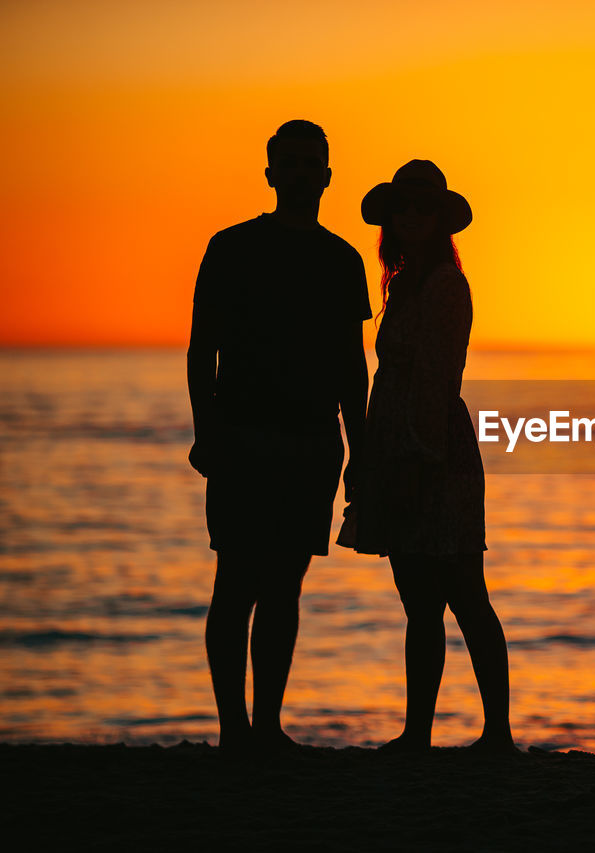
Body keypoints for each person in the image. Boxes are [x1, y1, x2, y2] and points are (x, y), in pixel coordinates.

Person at [187, 119, 372, 752]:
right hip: (241, 434)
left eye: (307, 163)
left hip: (312, 441)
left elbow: (353, 365)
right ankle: (233, 729)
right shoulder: (231, 247)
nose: (296, 173)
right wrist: (204, 431)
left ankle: (266, 725)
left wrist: (361, 449)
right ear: (269, 174)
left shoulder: (342, 259)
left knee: (285, 586)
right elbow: (200, 348)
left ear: (326, 174)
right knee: (235, 581)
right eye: (285, 163)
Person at [337, 159, 517, 755]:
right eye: (402, 209)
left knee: (464, 591)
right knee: (419, 600)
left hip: (433, 448)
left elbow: (437, 378)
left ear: (440, 219)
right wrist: (369, 453)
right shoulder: (407, 281)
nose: (410, 217)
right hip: (401, 445)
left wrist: (417, 456)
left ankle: (495, 732)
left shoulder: (443, 284)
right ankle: (419, 732)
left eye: (421, 208)